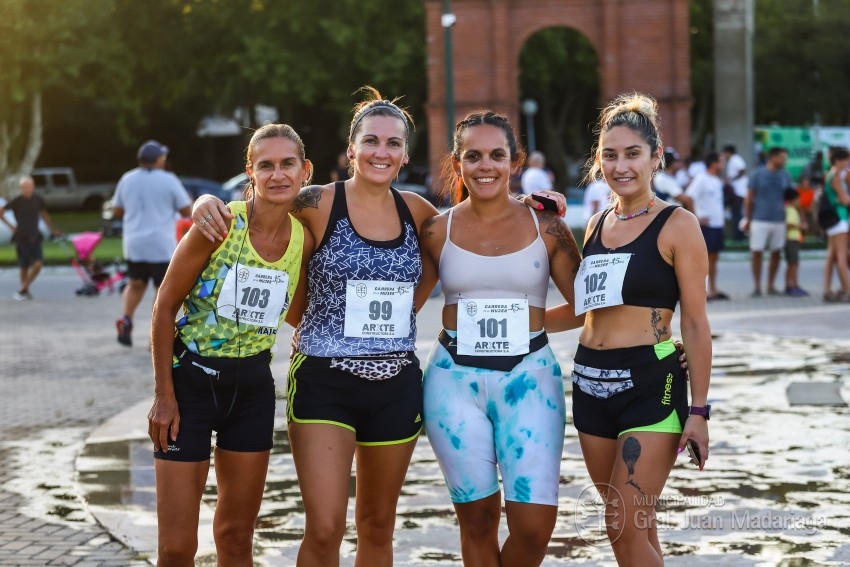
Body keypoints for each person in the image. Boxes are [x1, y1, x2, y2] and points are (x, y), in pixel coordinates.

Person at [548, 92, 711, 567]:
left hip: (650, 384)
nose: (620, 166)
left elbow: (696, 321)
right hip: (589, 384)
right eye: (610, 155)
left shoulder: (678, 225)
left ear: (656, 156)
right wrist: (514, 320)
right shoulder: (597, 224)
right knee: (635, 526)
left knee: (621, 523)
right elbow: (584, 310)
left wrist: (699, 410)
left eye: (633, 154)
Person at [414, 110, 582, 566]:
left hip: (530, 380)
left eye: (496, 155)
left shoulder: (547, 225)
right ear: (457, 163)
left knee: (534, 527)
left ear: (515, 161)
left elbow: (590, 305)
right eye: (473, 156)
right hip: (452, 382)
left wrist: (531, 325)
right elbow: (402, 307)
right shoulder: (437, 230)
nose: (485, 165)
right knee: (478, 520)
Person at [147, 123, 313, 566]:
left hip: (251, 390)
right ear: (250, 172)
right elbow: (164, 307)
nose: (278, 174)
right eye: (266, 165)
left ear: (305, 170)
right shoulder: (218, 225)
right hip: (190, 388)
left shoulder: (303, 238)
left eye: (288, 164)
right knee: (177, 548)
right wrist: (164, 396)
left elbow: (297, 311)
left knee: (237, 538)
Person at [113, 140, 193, 346]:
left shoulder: (127, 179)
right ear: (158, 159)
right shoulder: (168, 179)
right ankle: (155, 335)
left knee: (135, 284)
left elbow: (117, 210)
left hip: (134, 243)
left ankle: (127, 320)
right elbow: (186, 209)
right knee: (161, 289)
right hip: (161, 244)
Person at [742, 146, 794, 297]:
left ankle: (771, 285)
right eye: (782, 158)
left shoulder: (785, 175)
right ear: (773, 157)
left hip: (779, 220)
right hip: (759, 219)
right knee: (756, 252)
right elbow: (749, 198)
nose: (784, 161)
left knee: (776, 252)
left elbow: (791, 198)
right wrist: (748, 218)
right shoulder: (757, 174)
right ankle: (757, 286)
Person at [0, 175, 61, 300]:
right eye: (24, 187)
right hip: (21, 236)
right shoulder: (17, 201)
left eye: (29, 187)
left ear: (33, 187)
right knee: (24, 265)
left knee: (38, 264)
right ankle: (24, 291)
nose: (27, 190)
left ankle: (22, 289)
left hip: (35, 235)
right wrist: (11, 227)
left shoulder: (38, 200)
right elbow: (1, 211)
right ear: (21, 188)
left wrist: (52, 229)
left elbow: (44, 215)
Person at [686, 152, 729, 300]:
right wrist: (696, 217)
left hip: (717, 224)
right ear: (713, 163)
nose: (723, 165)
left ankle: (713, 288)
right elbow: (689, 197)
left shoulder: (716, 180)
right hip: (707, 225)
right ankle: (703, 289)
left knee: (714, 257)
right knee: (705, 258)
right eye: (721, 162)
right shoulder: (701, 178)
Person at [820, 147, 850, 302]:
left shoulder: (830, 175)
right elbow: (845, 200)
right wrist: (844, 199)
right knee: (841, 257)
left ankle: (827, 290)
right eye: (846, 160)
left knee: (831, 256)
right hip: (840, 219)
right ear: (838, 160)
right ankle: (848, 290)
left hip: (833, 220)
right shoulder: (836, 177)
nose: (847, 163)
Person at [782, 188, 808, 297]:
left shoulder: (789, 209)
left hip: (792, 240)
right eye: (798, 199)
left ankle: (788, 285)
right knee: (794, 264)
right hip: (791, 240)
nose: (799, 202)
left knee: (791, 264)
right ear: (792, 200)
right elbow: (789, 224)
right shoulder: (791, 210)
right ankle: (794, 286)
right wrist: (800, 226)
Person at [722, 144, 748, 241]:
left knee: (737, 214)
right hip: (736, 192)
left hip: (739, 192)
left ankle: (738, 236)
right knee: (735, 214)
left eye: (725, 153)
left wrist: (731, 179)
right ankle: (738, 235)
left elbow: (742, 171)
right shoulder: (732, 160)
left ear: (728, 152)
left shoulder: (736, 159)